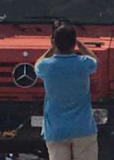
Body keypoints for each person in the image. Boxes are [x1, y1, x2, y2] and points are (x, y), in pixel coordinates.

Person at [35, 22, 99, 160]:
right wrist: (81, 46)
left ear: (54, 42)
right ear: (74, 43)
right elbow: (94, 60)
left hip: (56, 130)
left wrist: (51, 49)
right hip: (83, 128)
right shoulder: (84, 63)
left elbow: (37, 64)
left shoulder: (46, 66)